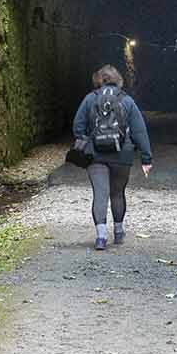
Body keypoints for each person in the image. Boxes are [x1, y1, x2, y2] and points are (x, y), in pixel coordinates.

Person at [73, 64, 152, 250]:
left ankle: (101, 237)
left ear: (98, 80)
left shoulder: (89, 99)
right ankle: (118, 231)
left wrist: (86, 143)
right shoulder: (127, 101)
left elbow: (78, 126)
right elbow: (139, 131)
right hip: (122, 153)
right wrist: (146, 158)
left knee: (100, 194)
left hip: (95, 155)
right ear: (119, 80)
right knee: (117, 193)